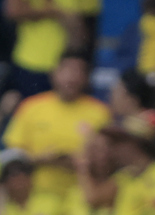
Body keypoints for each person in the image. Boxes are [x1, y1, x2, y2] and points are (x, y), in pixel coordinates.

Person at [3, 52, 110, 199]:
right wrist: (39, 159)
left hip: (82, 195)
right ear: (53, 73)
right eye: (67, 70)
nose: (72, 78)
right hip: (35, 196)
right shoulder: (31, 107)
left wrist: (77, 162)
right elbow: (11, 156)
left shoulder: (100, 113)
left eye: (79, 71)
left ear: (87, 78)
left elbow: (108, 160)